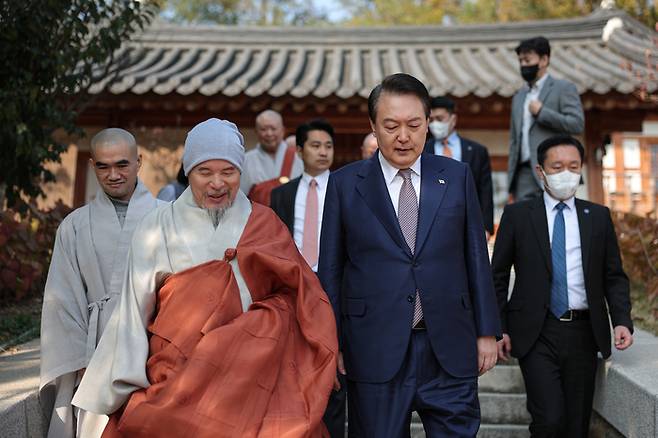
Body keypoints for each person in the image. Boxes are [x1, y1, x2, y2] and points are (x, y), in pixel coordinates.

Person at [71, 118, 337, 438]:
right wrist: (124, 384)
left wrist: (283, 331)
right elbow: (133, 312)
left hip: (251, 378)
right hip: (177, 377)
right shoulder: (158, 226)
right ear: (188, 172)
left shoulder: (264, 223)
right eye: (205, 172)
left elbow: (302, 294)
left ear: (242, 172)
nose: (217, 184)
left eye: (228, 172)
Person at [318, 73, 501, 437]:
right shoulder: (345, 184)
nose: (404, 136)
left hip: (448, 345)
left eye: (414, 124)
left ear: (428, 124)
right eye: (391, 125)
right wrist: (330, 342)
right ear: (373, 126)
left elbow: (476, 259)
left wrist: (487, 332)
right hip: (374, 348)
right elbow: (332, 269)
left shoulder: (457, 176)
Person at [492, 135, 633, 437]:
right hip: (536, 331)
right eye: (557, 167)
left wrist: (622, 320)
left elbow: (613, 275)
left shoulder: (597, 217)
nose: (566, 173)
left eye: (573, 166)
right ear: (540, 171)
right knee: (549, 419)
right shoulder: (518, 216)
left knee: (575, 424)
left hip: (583, 331)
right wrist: (498, 327)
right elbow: (498, 276)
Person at [40, 128, 163, 438]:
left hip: (156, 344)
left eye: (122, 164)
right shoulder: (75, 226)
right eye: (103, 166)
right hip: (96, 351)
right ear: (92, 164)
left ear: (139, 162)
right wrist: (80, 361)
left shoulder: (167, 217)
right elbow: (62, 299)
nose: (113, 175)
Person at [270, 119, 345, 437]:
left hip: (335, 286)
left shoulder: (346, 189)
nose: (324, 152)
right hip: (295, 287)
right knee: (293, 366)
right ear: (299, 151)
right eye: (316, 145)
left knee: (335, 369)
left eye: (328, 146)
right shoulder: (281, 194)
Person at [508, 36, 584, 202]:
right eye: (520, 60)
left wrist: (542, 112)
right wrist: (511, 180)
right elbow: (514, 140)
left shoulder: (563, 88)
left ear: (543, 60)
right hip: (524, 173)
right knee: (527, 223)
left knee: (558, 218)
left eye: (527, 60)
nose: (523, 65)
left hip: (556, 168)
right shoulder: (519, 97)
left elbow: (577, 124)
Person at [424, 96, 494, 238]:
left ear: (453, 119)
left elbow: (485, 190)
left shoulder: (476, 151)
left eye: (440, 118)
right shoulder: (423, 150)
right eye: (431, 120)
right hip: (431, 222)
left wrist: (486, 226)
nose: (435, 123)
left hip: (468, 219)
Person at [240, 109, 303, 204]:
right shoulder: (247, 160)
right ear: (256, 132)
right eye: (263, 129)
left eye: (273, 129)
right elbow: (240, 198)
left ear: (282, 130)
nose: (269, 134)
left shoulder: (297, 157)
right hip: (259, 217)